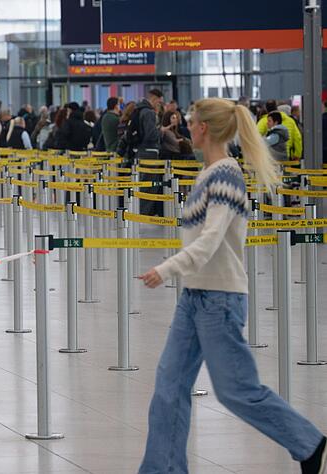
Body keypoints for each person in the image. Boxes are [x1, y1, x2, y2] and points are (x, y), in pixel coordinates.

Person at [138, 97, 327, 474]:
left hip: (219, 300)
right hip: (195, 297)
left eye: (190, 122)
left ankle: (308, 442)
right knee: (168, 386)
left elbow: (209, 241)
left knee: (236, 390)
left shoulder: (225, 174)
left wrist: (167, 268)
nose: (186, 127)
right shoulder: (209, 173)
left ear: (202, 128)